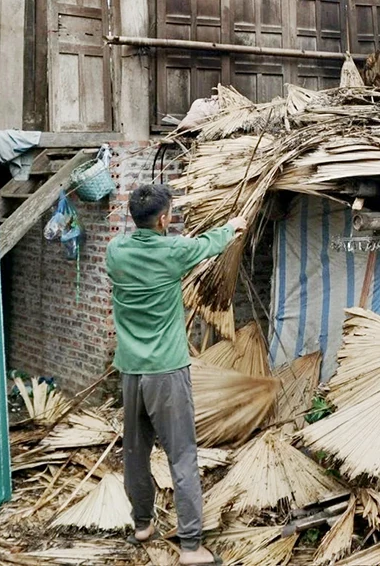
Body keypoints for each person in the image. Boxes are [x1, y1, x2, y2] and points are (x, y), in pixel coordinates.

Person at [106, 183, 247, 565]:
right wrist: (233, 226)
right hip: (166, 372)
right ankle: (190, 547)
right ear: (165, 218)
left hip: (131, 372)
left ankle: (142, 524)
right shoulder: (173, 252)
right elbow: (207, 245)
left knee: (136, 453)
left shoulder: (115, 251)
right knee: (182, 456)